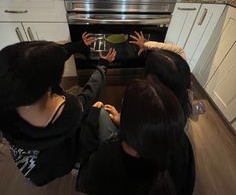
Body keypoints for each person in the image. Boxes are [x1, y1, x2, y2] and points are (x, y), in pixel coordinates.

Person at [0, 33, 116, 186]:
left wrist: (78, 46)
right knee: (94, 108)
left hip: (34, 171)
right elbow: (89, 93)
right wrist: (103, 65)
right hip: (60, 161)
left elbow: (41, 63)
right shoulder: (70, 110)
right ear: (48, 85)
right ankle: (76, 166)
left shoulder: (7, 101)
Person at [83, 76, 195, 195]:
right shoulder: (183, 145)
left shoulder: (107, 157)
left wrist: (92, 118)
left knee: (102, 114)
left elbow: (88, 177)